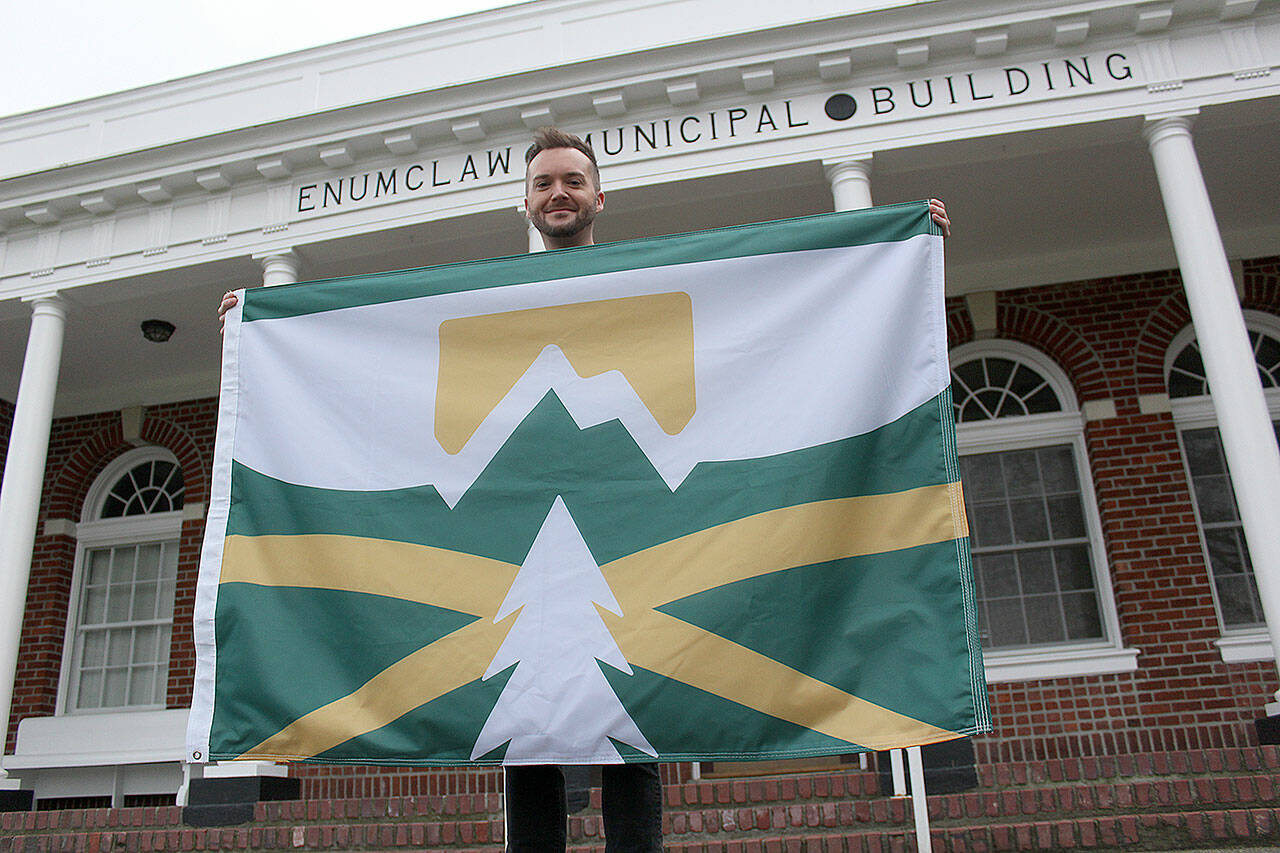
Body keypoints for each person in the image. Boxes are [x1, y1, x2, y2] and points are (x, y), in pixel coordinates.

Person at [218, 128, 951, 852]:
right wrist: (259, 329)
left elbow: (779, 307)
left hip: (637, 546)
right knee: (523, 749)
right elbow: (372, 361)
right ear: (525, 203)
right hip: (512, 554)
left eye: (571, 180)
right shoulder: (481, 299)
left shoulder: (651, 280)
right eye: (543, 183)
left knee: (639, 742)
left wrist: (903, 251)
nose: (558, 192)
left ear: (599, 196)